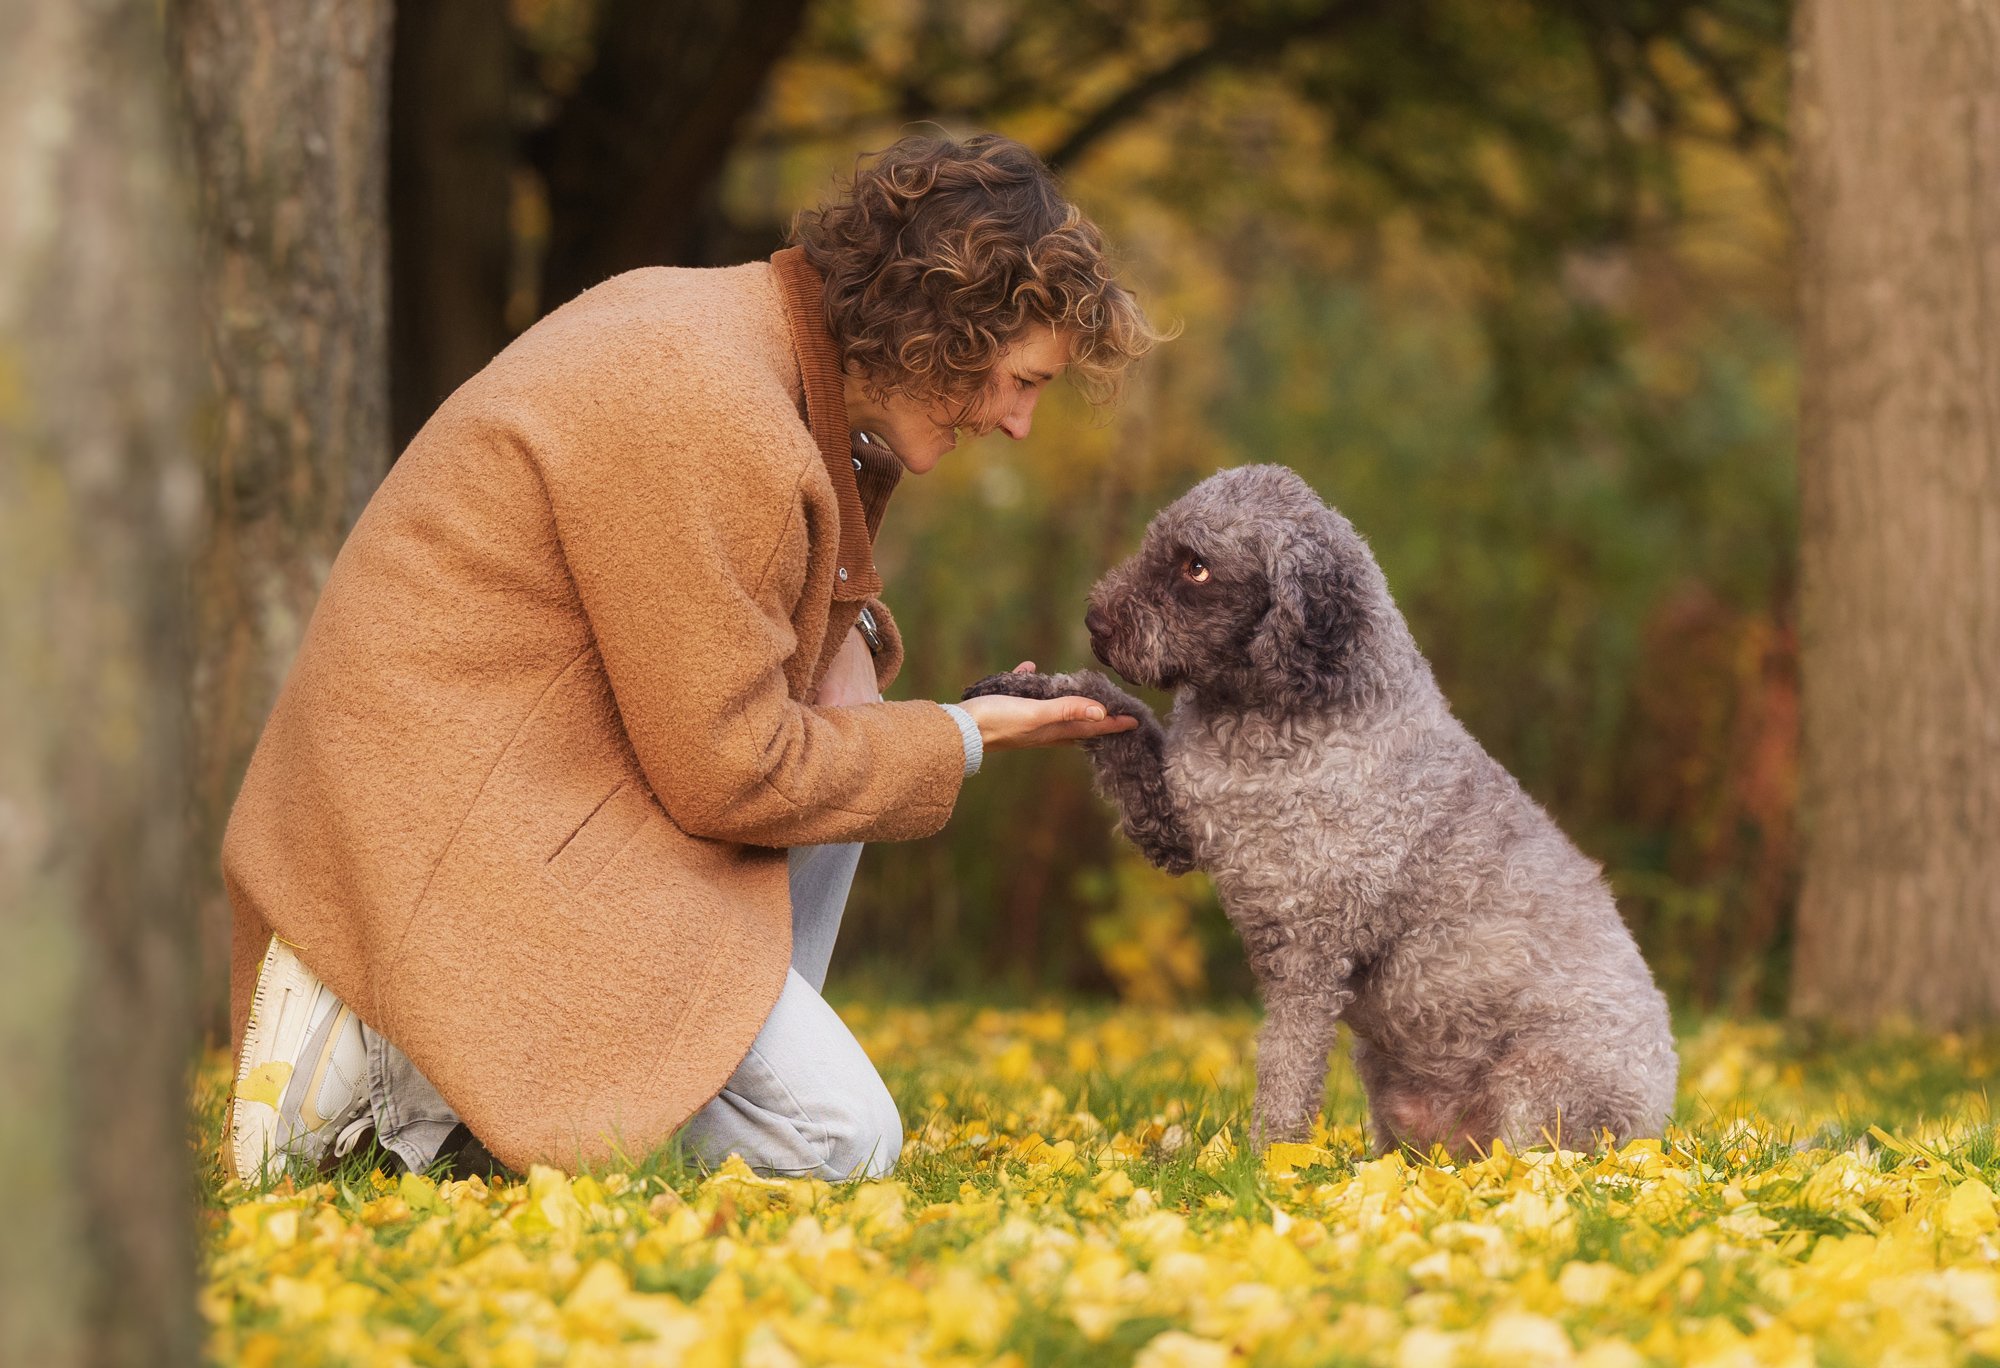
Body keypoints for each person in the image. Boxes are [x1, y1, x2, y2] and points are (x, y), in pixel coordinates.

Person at [222, 132, 1161, 1183]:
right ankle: (393, 1054)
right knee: (839, 1141)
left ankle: (487, 1097)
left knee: (860, 764)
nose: (1023, 424)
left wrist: (865, 668)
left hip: (524, 789)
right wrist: (960, 736)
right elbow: (734, 773)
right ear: (943, 327)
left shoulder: (731, 338)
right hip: (436, 835)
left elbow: (741, 651)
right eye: (1020, 380)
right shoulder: (715, 406)